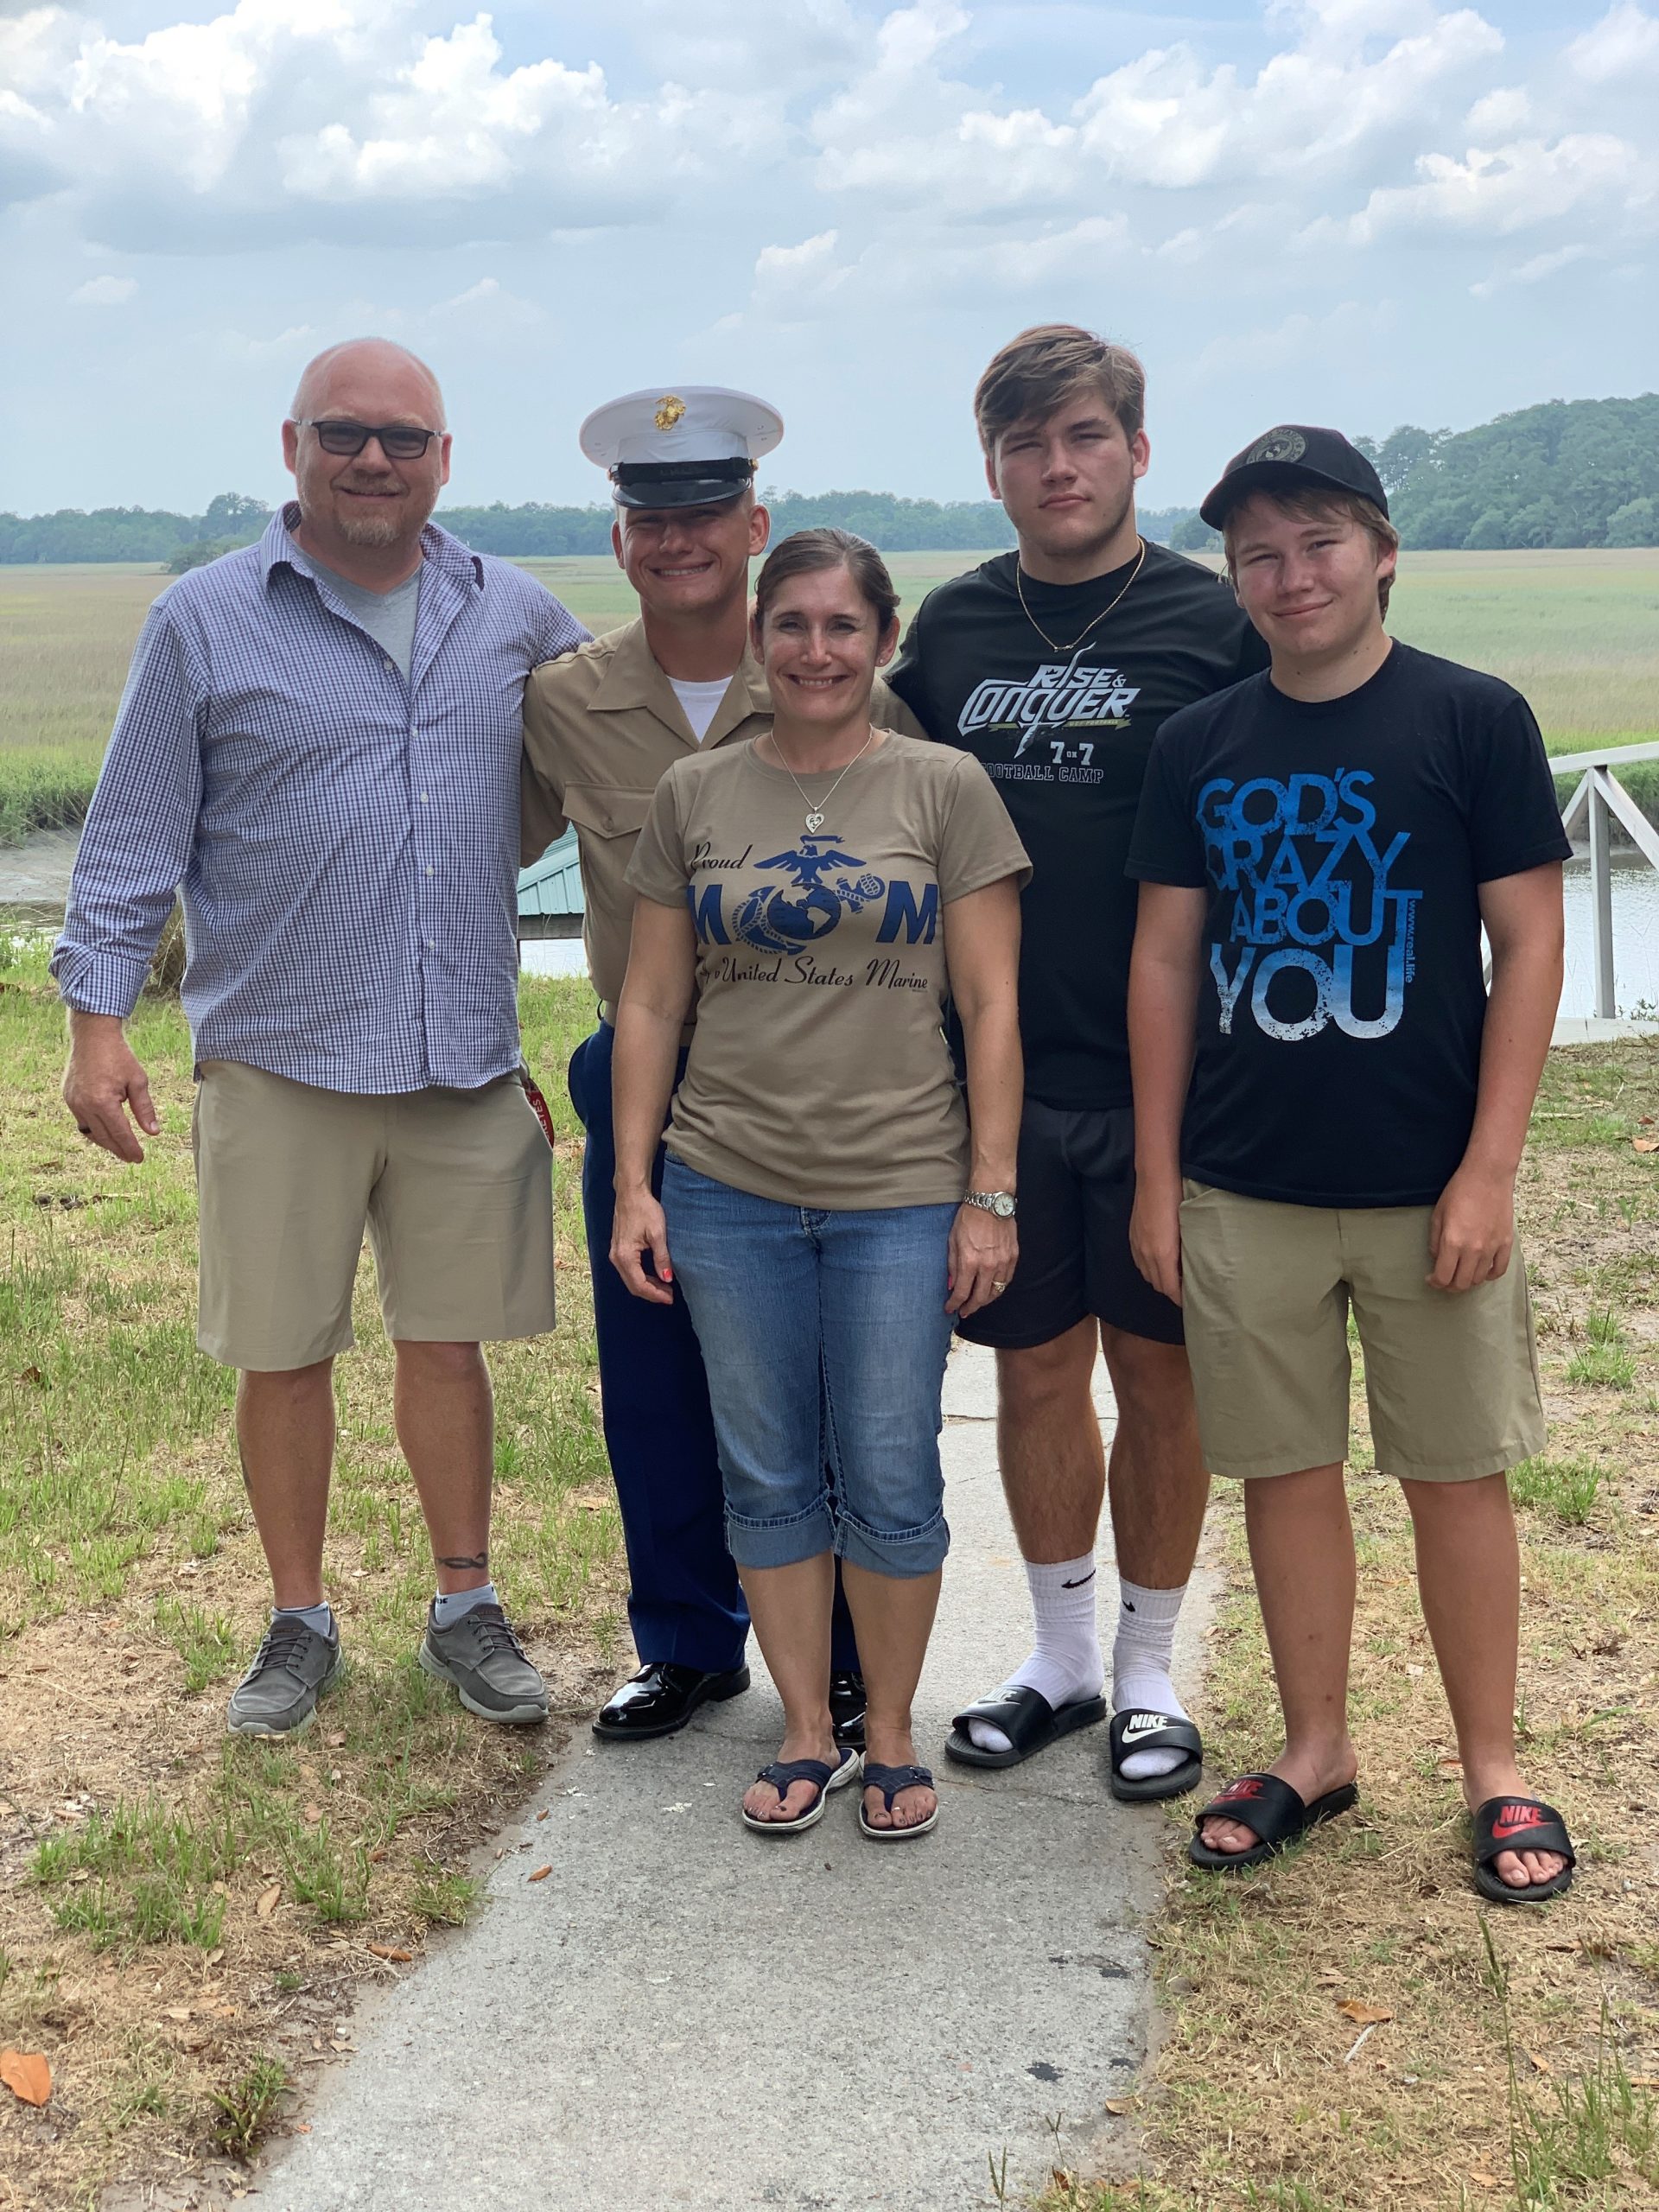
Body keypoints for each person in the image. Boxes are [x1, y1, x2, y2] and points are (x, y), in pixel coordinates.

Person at [53, 338, 584, 1739]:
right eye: (344, 433)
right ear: (292, 445)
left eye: (403, 439)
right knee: (281, 1352)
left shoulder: (515, 613)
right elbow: (130, 840)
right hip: (280, 1055)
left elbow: (631, 755)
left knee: (447, 1346)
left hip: (461, 1055)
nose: (373, 460)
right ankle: (298, 1623)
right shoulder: (205, 620)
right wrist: (95, 1022)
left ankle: (465, 1606)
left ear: (446, 462)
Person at [1126, 424, 1575, 1903]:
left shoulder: (1471, 720)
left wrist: (1491, 1169)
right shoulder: (1199, 743)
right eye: (1259, 552)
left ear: (1383, 552)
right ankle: (1316, 1747)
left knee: (1455, 1473)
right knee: (1286, 1472)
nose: (1289, 573)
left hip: (1427, 1176)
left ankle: (1495, 1767)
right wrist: (1157, 1175)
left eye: (1319, 542)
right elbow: (1167, 961)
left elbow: (1529, 945)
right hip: (1245, 1181)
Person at [885, 325, 1268, 1797]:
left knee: (1160, 1382)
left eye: (1087, 437)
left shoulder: (1210, 618)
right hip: (998, 1085)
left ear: (1137, 451)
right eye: (1029, 445)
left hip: (1178, 1080)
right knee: (1038, 1375)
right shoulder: (957, 631)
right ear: (991, 468)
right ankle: (1056, 1656)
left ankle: (1151, 1669)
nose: (1060, 467)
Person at [609, 529, 1028, 1840]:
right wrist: (636, 1183)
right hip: (728, 1184)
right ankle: (804, 1729)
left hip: (901, 1188)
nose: (816, 650)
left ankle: (889, 1733)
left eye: (842, 626)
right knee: (768, 1468)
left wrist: (990, 1193)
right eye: (790, 625)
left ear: (883, 642)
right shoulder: (695, 794)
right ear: (757, 640)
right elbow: (651, 999)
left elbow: (991, 1001)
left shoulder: (942, 787)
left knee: (892, 1467)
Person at [522, 390, 916, 1748]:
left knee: (821, 1391)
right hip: (641, 1082)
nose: (679, 540)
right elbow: (465, 856)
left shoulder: (834, 676)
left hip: (815, 1082)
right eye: (652, 518)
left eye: (704, 514)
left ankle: (852, 1653)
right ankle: (687, 1643)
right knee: (655, 1388)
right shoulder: (566, 702)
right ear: (621, 539)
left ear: (754, 523)